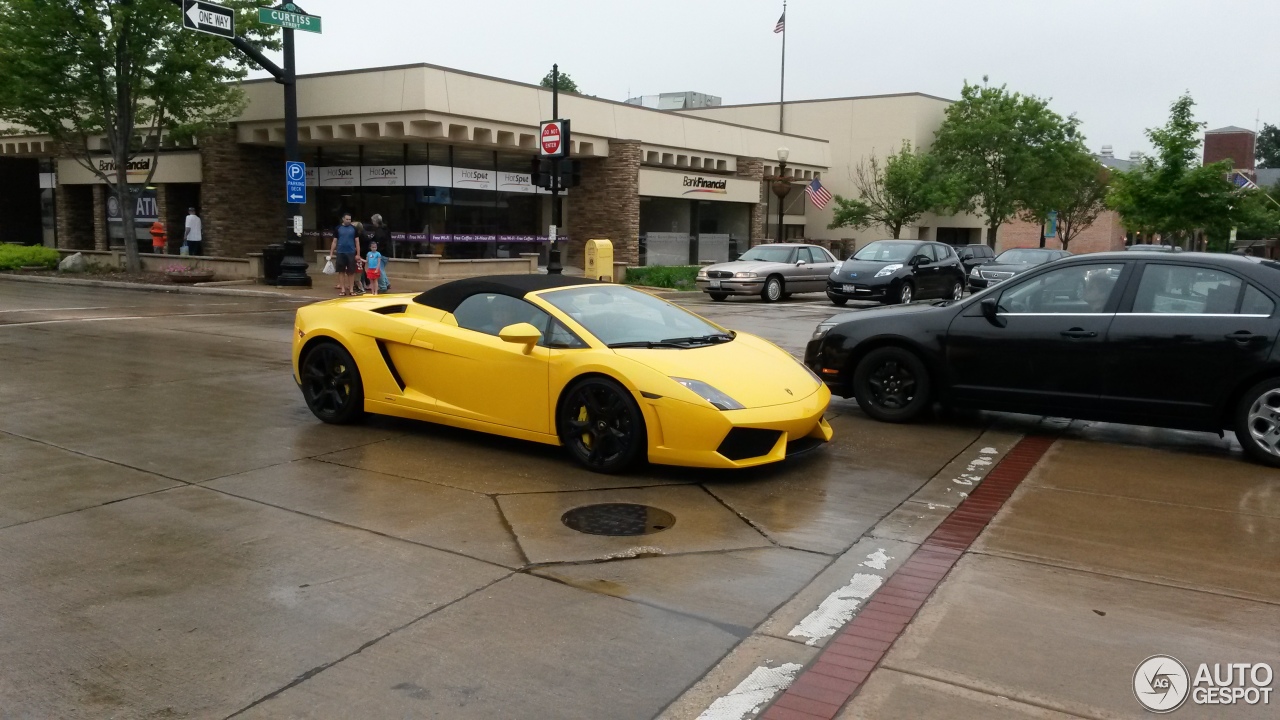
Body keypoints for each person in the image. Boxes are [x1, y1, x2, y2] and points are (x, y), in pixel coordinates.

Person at [328, 213, 360, 296]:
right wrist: (331, 253)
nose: (349, 221)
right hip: (340, 252)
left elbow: (357, 242)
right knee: (341, 271)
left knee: (351, 272)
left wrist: (358, 254)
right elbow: (334, 241)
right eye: (347, 219)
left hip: (351, 252)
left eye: (350, 219)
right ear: (343, 219)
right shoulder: (338, 228)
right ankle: (342, 289)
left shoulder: (354, 229)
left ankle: (351, 289)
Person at [369, 214, 392, 291]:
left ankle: (383, 287)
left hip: (382, 252)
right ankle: (387, 283)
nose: (372, 223)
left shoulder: (379, 231)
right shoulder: (386, 229)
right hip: (387, 251)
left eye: (373, 221)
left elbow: (379, 242)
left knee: (379, 270)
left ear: (376, 221)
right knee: (381, 269)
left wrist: (376, 250)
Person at [351, 220, 367, 295]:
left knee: (360, 273)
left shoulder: (362, 235)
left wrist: (358, 253)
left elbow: (363, 246)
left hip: (361, 254)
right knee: (357, 273)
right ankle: (357, 286)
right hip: (357, 255)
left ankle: (361, 287)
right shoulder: (356, 234)